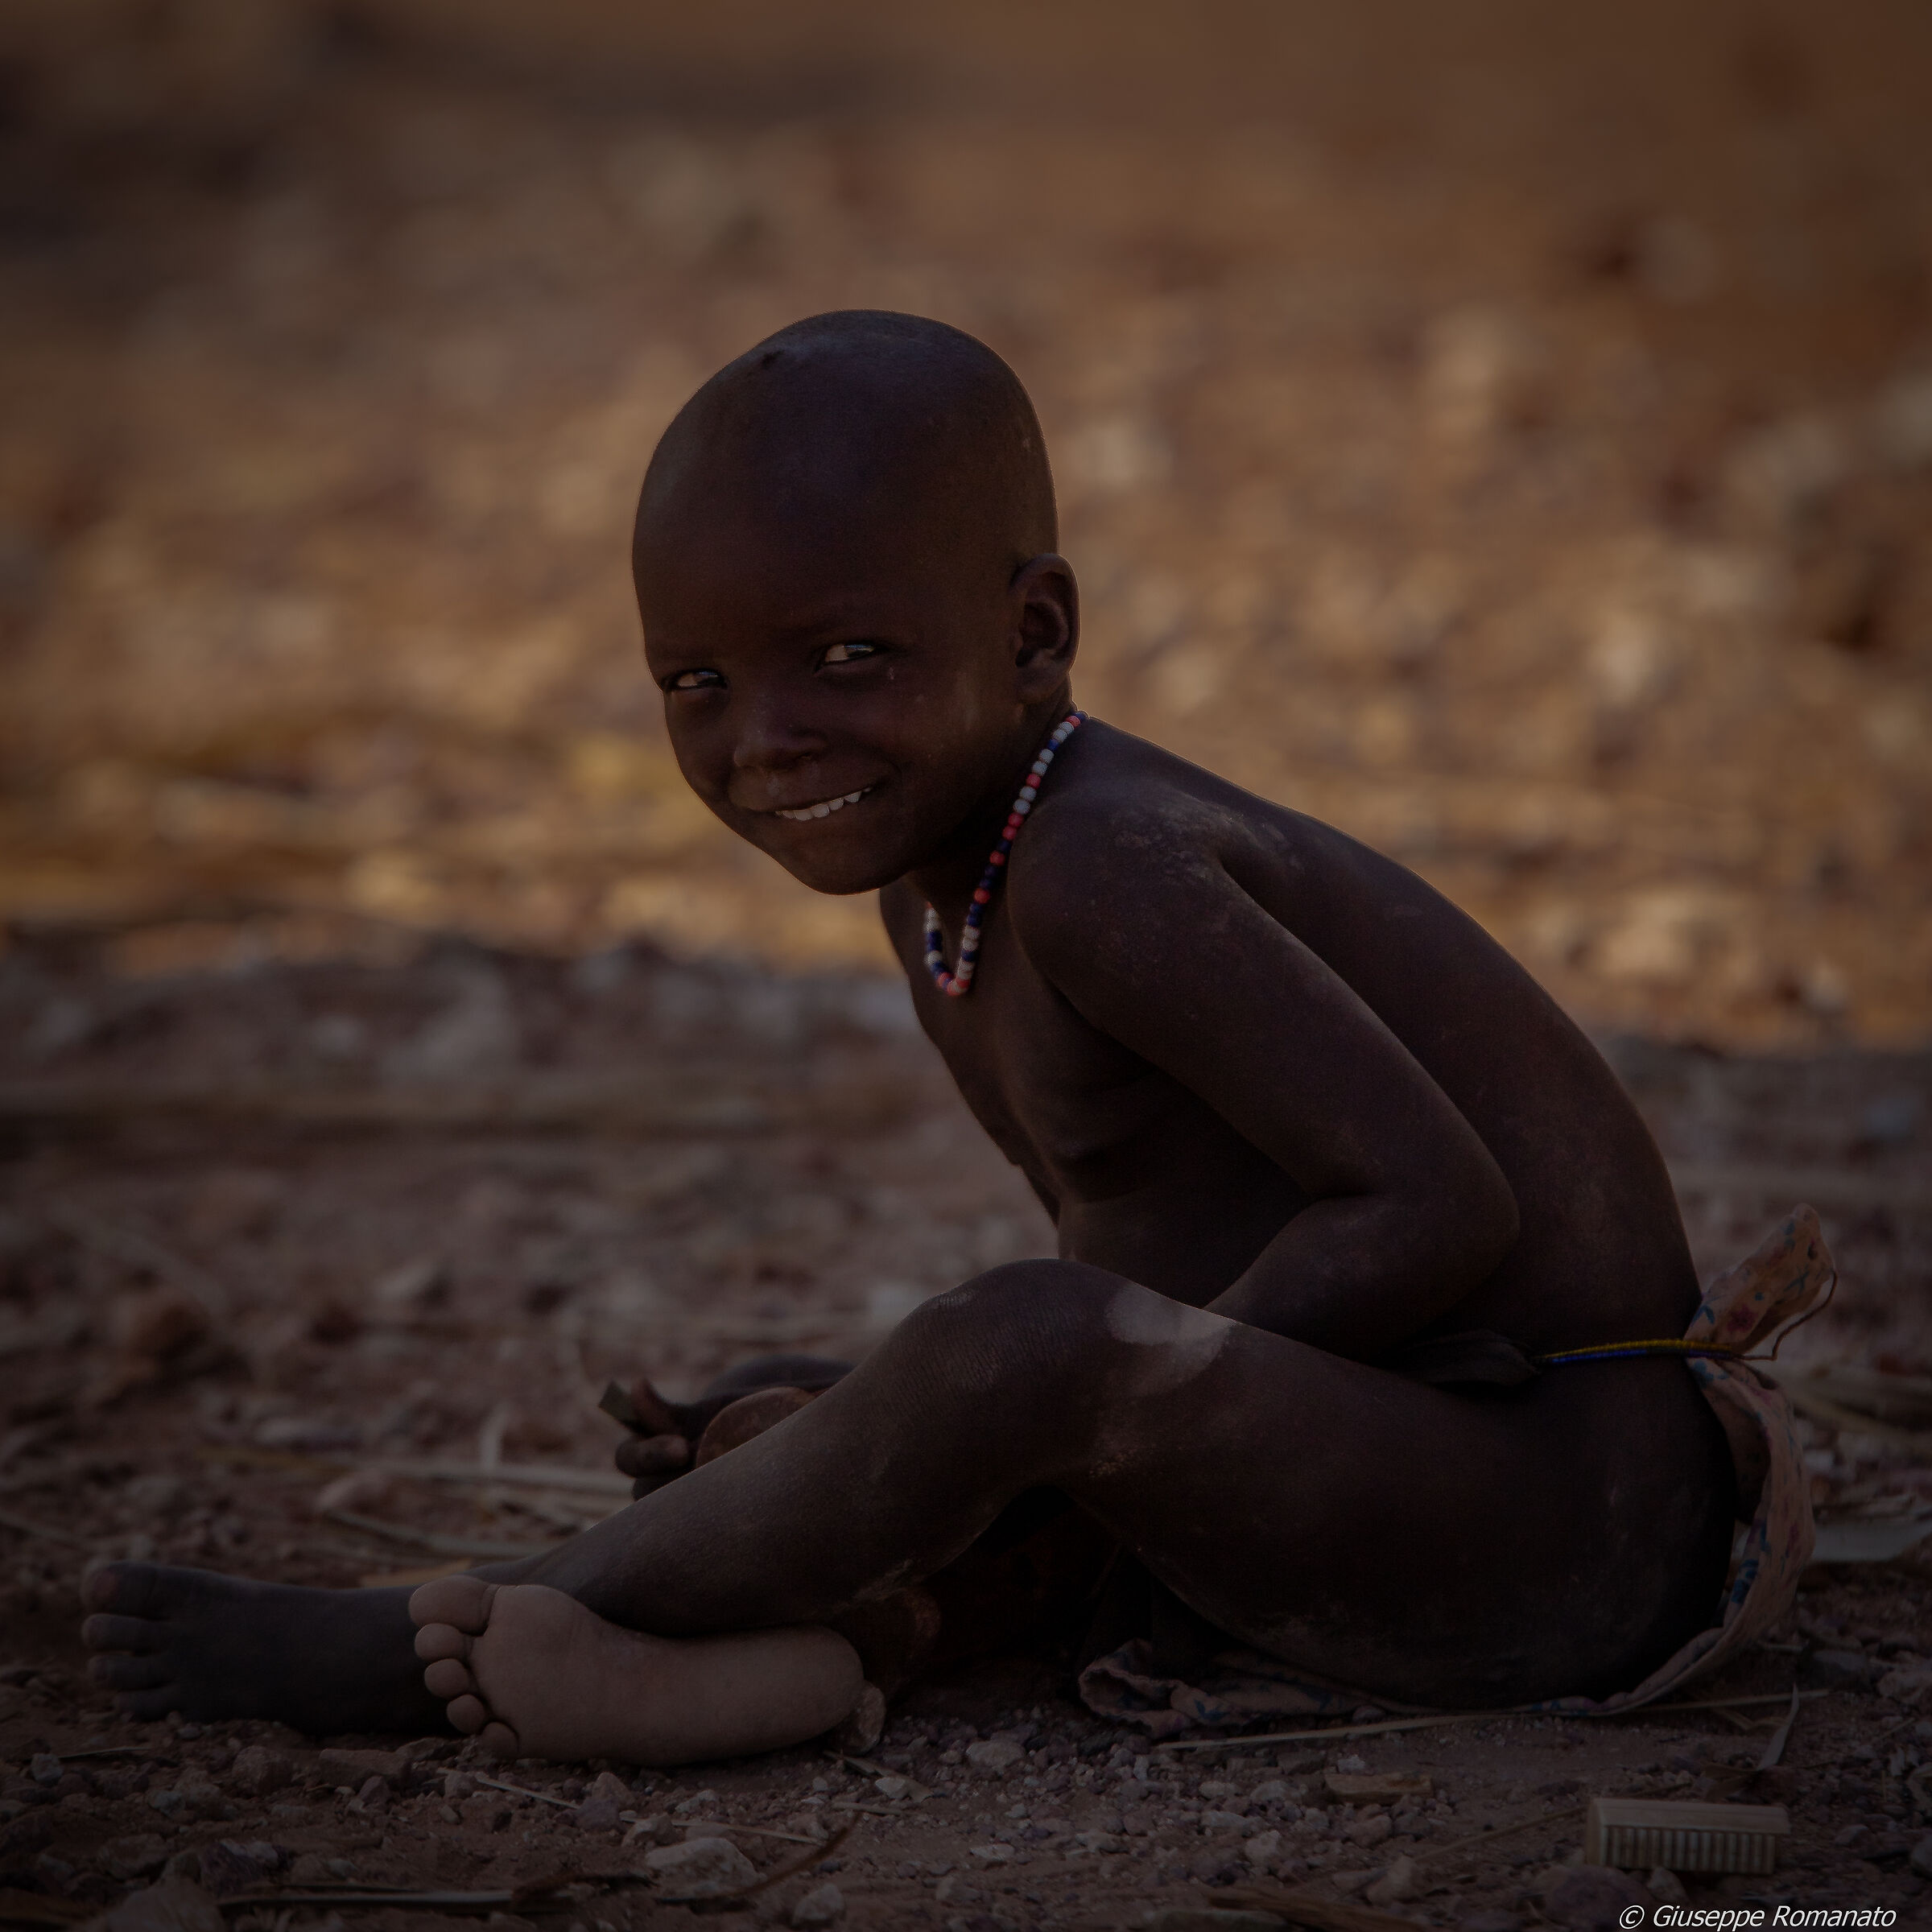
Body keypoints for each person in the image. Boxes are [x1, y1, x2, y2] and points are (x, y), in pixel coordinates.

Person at [80, 311, 1828, 1764]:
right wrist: (899, 1419)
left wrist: (1029, 1401)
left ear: (1035, 635)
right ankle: (771, 1668)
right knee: (837, 1418)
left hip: (1563, 1532)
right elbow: (1154, 1263)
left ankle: (443, 1629)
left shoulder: (1101, 867)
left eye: (847, 655)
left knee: (1009, 1354)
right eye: (696, 685)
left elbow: (1439, 1212)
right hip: (1380, 1473)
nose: (767, 740)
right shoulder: (945, 876)